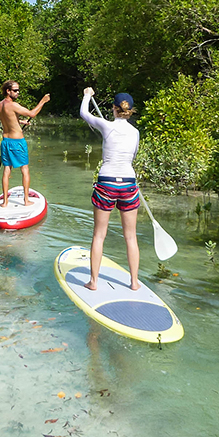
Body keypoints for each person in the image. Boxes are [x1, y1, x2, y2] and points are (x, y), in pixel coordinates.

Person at [80, 87, 140, 291]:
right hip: (128, 183)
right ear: (130, 111)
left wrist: (87, 96)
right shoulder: (136, 132)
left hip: (106, 183)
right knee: (131, 236)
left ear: (114, 109)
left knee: (99, 235)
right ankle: (134, 283)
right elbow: (133, 156)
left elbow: (84, 114)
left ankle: (94, 282)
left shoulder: (106, 126)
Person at [0, 80, 50, 207]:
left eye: (18, 90)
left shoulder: (0, 105)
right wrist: (43, 101)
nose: (18, 93)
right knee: (25, 169)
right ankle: (26, 201)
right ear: (8, 91)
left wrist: (20, 122)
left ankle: (5, 202)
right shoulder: (13, 105)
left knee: (6, 170)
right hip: (17, 142)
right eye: (15, 90)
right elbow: (32, 113)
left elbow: (7, 118)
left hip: (6, 141)